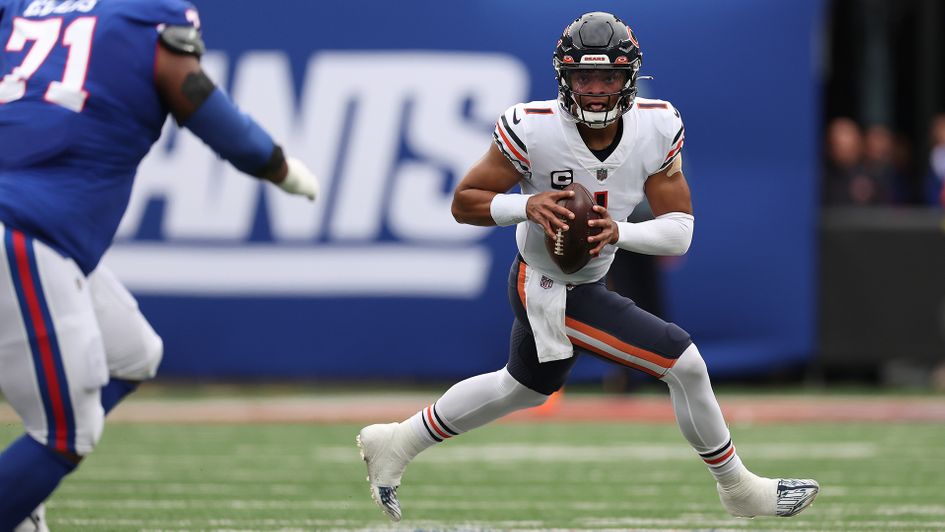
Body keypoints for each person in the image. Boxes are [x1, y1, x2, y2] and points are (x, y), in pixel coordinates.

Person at [357, 12, 819, 523]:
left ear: (629, 78)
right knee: (684, 364)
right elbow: (464, 201)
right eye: (584, 77)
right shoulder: (532, 127)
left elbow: (680, 229)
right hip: (546, 281)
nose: (596, 90)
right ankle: (738, 489)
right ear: (564, 79)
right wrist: (525, 205)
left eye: (608, 77)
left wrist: (621, 232)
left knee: (524, 386)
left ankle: (396, 441)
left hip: (588, 275)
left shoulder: (657, 125)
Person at [0, 0, 318, 529]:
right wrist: (278, 166)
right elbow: (195, 95)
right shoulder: (144, 14)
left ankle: (21, 484)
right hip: (24, 233)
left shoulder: (23, 8)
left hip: (37, 236)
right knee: (64, 434)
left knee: (130, 351)